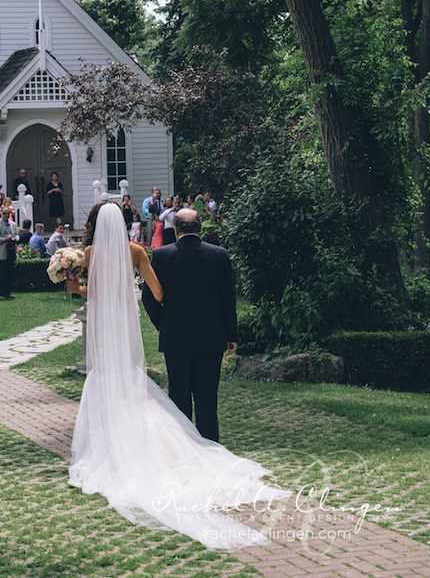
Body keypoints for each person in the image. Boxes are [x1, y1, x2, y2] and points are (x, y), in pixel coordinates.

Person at [64, 202, 289, 549]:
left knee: (169, 390)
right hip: (188, 333)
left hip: (131, 332)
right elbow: (166, 292)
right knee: (205, 394)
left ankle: (153, 444)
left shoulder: (101, 253)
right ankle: (203, 445)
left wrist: (161, 321)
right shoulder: (146, 251)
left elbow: (119, 295)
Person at [142, 208, 235, 443]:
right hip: (211, 337)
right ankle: (210, 446)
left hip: (175, 336)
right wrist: (231, 334)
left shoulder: (162, 255)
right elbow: (228, 299)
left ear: (176, 229)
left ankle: (183, 446)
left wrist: (162, 324)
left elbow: (148, 297)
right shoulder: (220, 255)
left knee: (179, 395)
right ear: (200, 228)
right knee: (207, 396)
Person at [0, 204, 18, 298]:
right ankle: (2, 293)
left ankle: (8, 292)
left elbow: (16, 234)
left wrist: (17, 238)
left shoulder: (13, 224)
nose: (6, 215)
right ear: (1, 213)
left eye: (8, 213)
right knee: (2, 273)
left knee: (10, 272)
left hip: (11, 250)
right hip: (1, 252)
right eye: (4, 213)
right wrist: (4, 239)